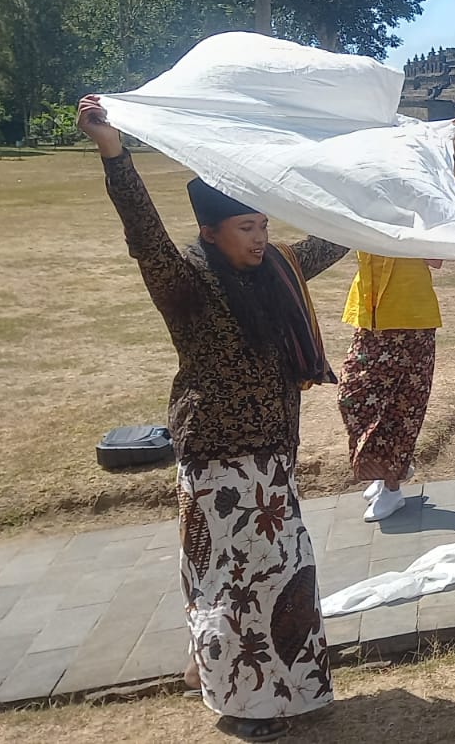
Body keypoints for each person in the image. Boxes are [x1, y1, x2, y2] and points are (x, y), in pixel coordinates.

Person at [77, 95, 347, 743]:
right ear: (210, 233)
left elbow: (334, 238)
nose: (259, 239)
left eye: (261, 225)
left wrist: (384, 196)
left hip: (274, 463)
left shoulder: (278, 271)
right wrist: (114, 152)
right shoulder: (186, 286)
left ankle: (297, 689)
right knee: (233, 584)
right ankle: (246, 705)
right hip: (218, 469)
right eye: (245, 229)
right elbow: (144, 235)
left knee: (287, 575)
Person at [339, 117, 455, 522]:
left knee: (401, 405)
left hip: (411, 317)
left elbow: (454, 197)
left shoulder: (419, 206)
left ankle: (392, 484)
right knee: (354, 395)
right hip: (368, 315)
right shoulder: (364, 205)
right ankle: (388, 468)